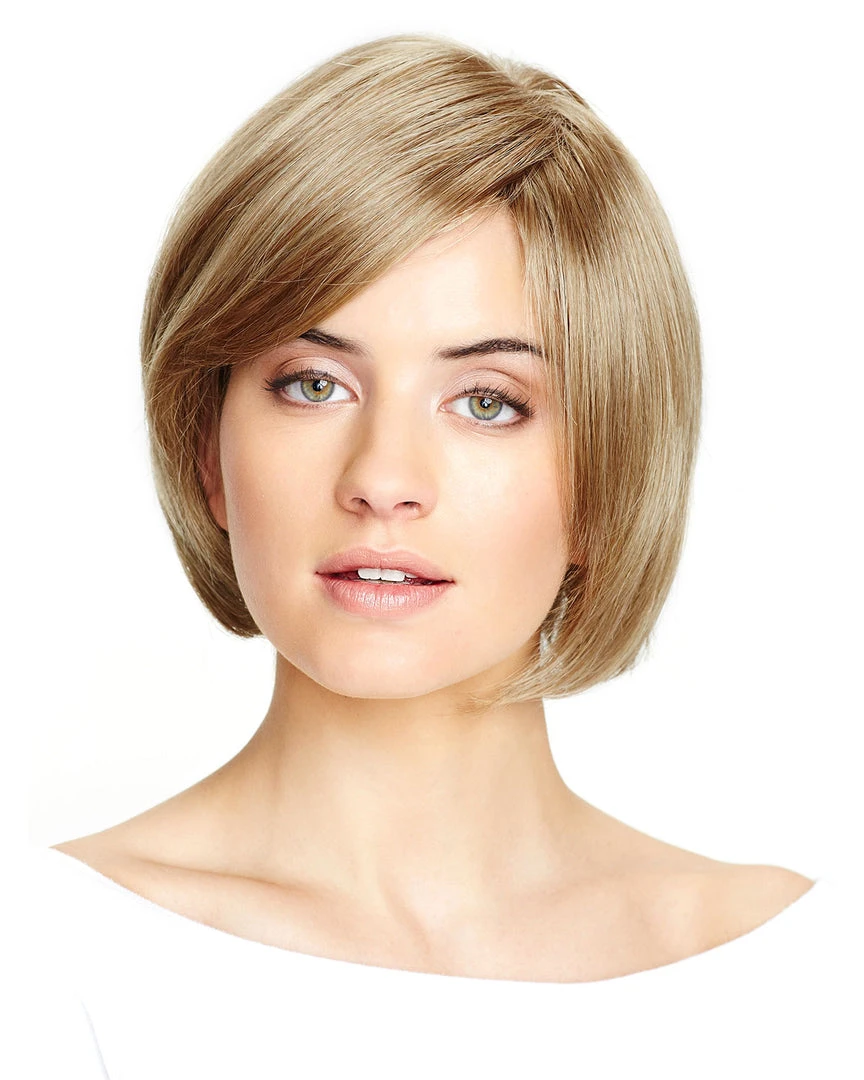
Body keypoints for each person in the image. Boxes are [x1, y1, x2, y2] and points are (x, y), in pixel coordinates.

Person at [23, 31, 858, 1079]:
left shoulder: (805, 979)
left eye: (486, 403)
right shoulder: (46, 959)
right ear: (208, 451)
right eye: (314, 383)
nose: (383, 478)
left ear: (609, 471)